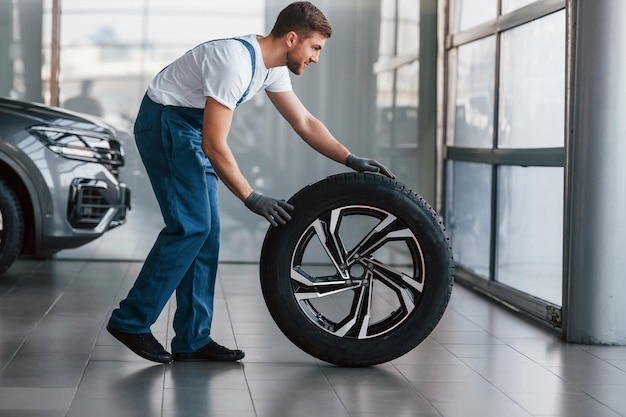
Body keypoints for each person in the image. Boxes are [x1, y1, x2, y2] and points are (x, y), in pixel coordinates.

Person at [106, 1, 394, 364]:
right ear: (292, 38)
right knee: (190, 227)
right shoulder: (235, 62)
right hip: (165, 122)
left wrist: (349, 158)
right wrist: (251, 197)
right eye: (315, 48)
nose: (317, 58)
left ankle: (193, 340)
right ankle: (131, 320)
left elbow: (304, 122)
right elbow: (214, 144)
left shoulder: (271, 68)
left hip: (187, 127)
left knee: (206, 232)